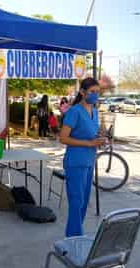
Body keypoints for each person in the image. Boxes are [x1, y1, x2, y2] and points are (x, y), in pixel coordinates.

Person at [59, 78, 106, 237]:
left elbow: (93, 134)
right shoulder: (75, 111)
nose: (95, 95)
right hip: (76, 162)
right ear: (82, 92)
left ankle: (76, 234)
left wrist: (100, 139)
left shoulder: (94, 111)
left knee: (84, 202)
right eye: (92, 91)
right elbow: (63, 138)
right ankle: (74, 238)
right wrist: (88, 143)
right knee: (76, 202)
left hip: (89, 161)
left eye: (97, 92)